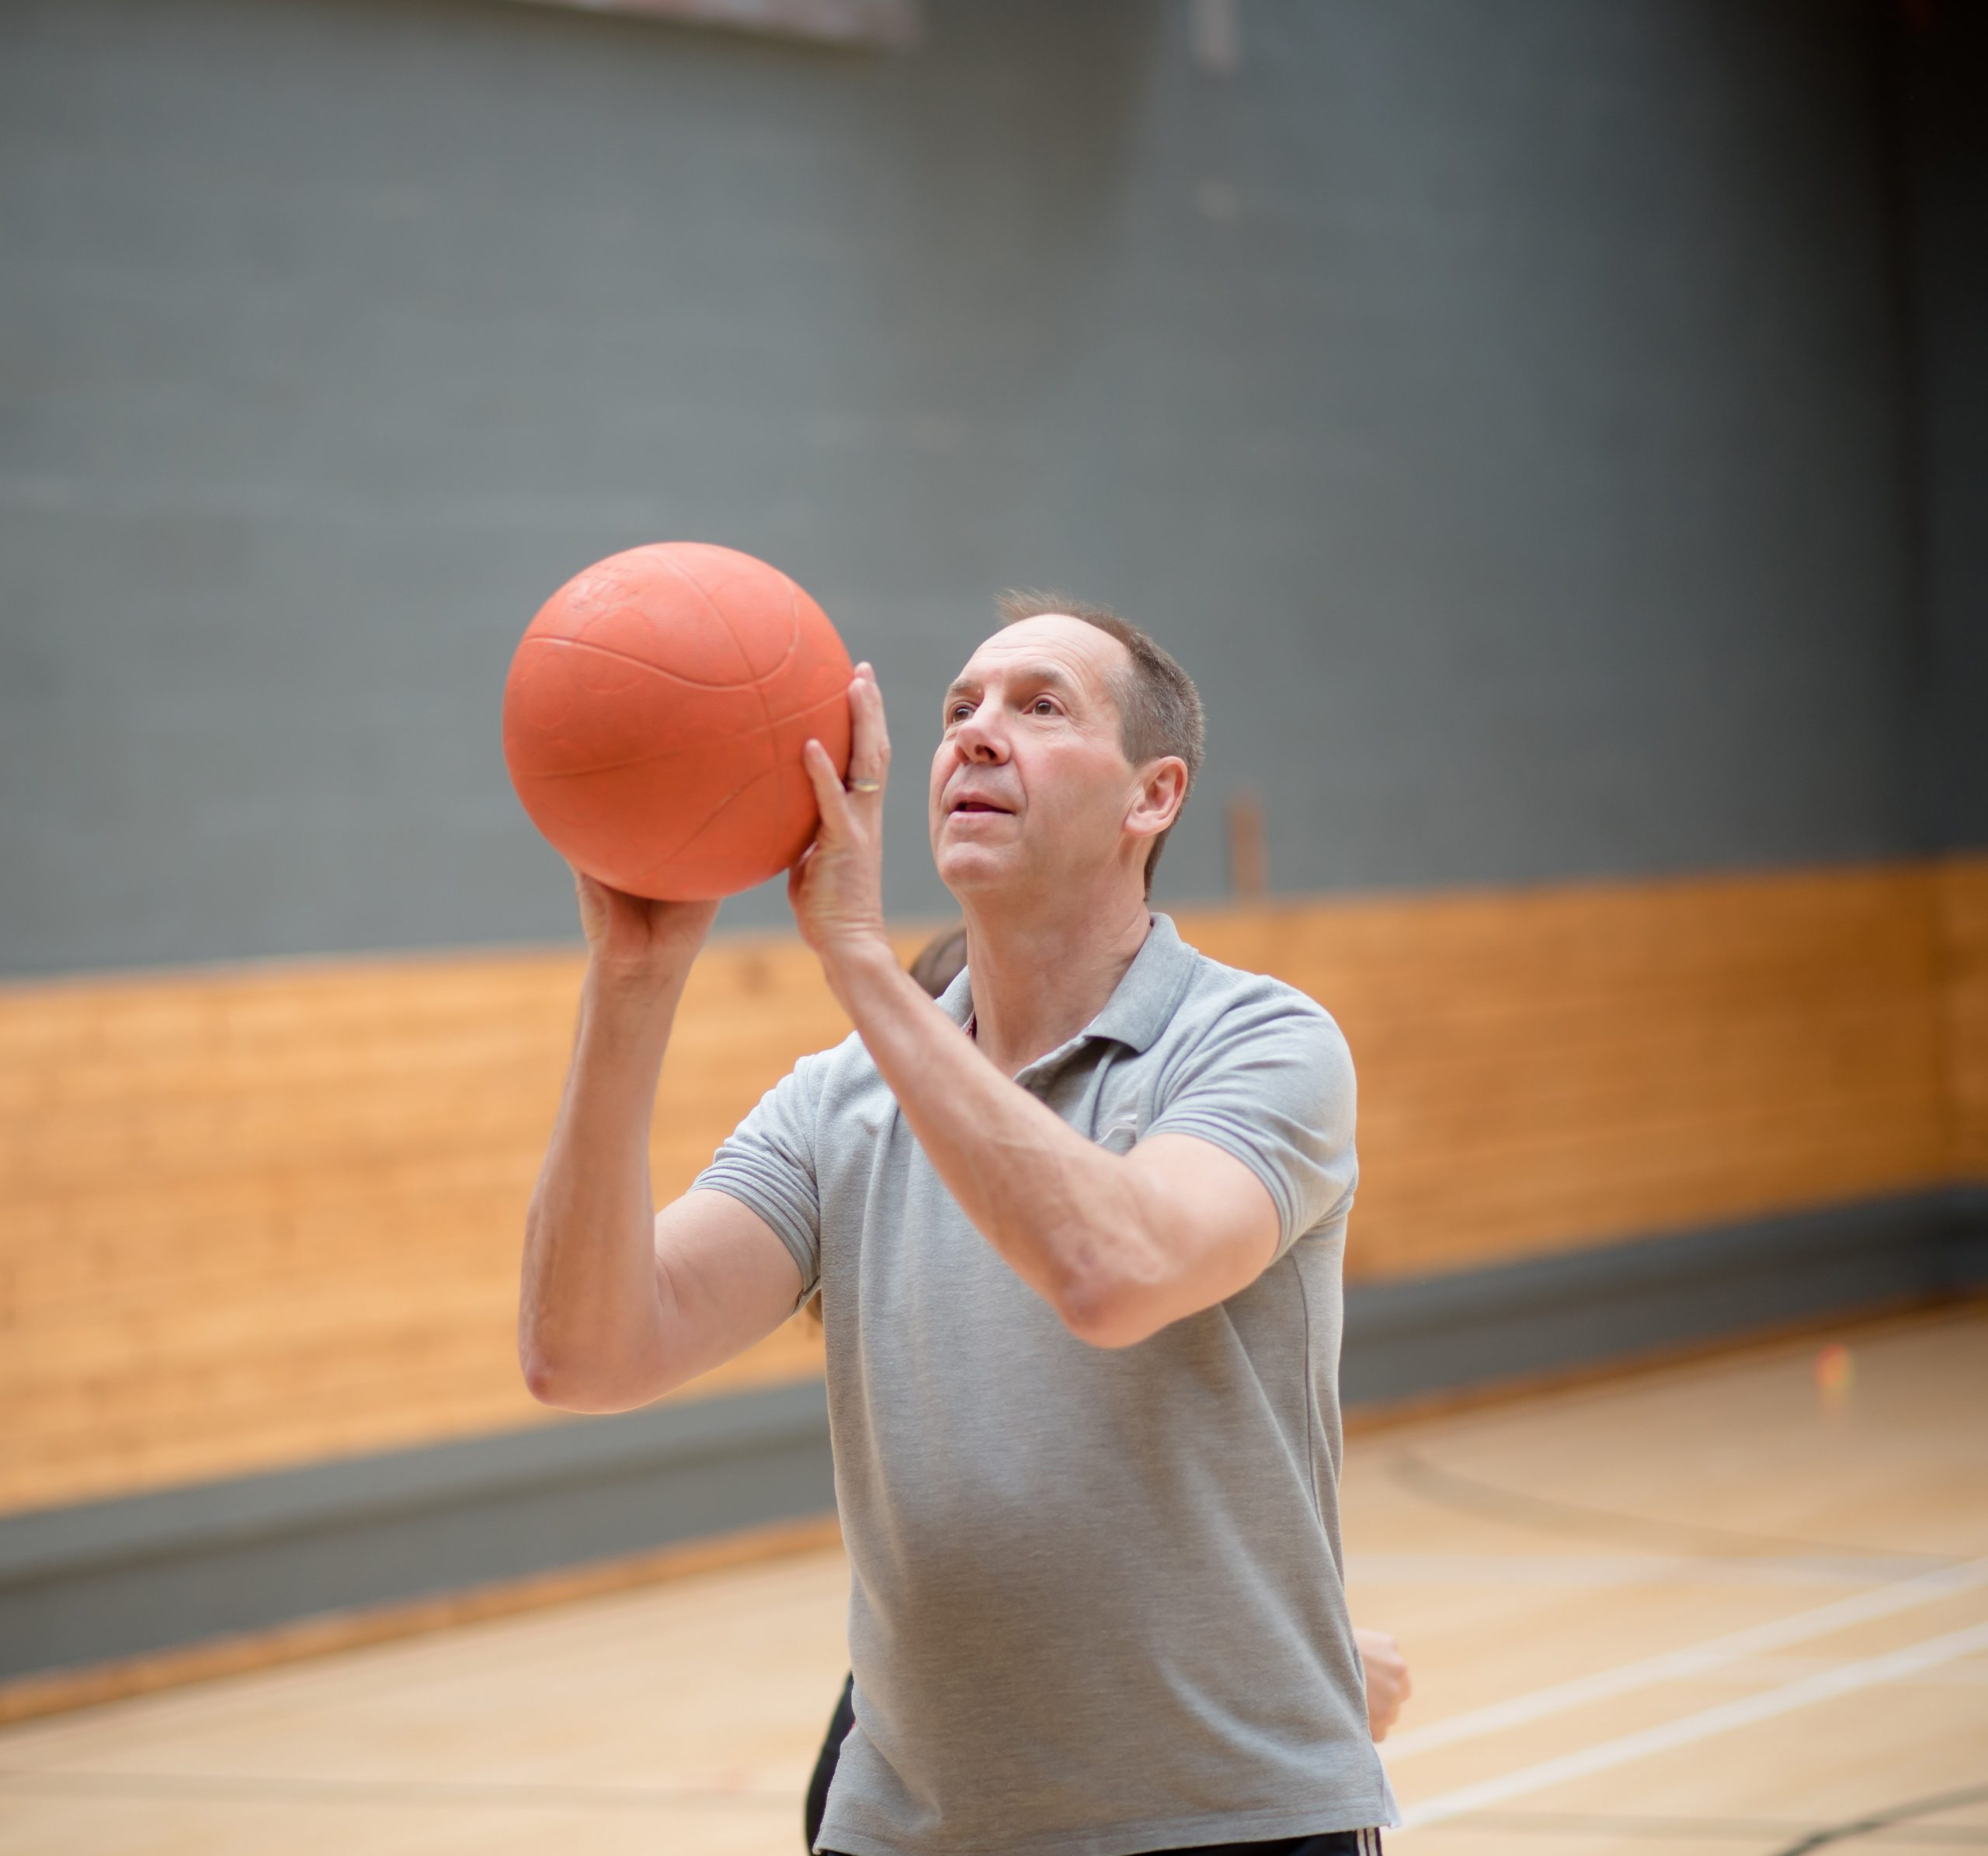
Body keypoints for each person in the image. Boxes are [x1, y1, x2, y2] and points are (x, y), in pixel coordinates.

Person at [520, 591, 1400, 1854]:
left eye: (1041, 707)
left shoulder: (1260, 1044)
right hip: (906, 1831)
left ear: (1154, 796)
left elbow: (1114, 1271)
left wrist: (865, 964)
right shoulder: (837, 1102)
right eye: (958, 710)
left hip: (1232, 1821)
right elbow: (585, 1353)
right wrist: (633, 980)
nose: (978, 733)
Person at [798, 925, 1411, 1852]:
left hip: (1221, 1789)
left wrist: (1295, 1666)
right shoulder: (853, 1140)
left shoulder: (1244, 1056)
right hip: (933, 1774)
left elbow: (1116, 1270)